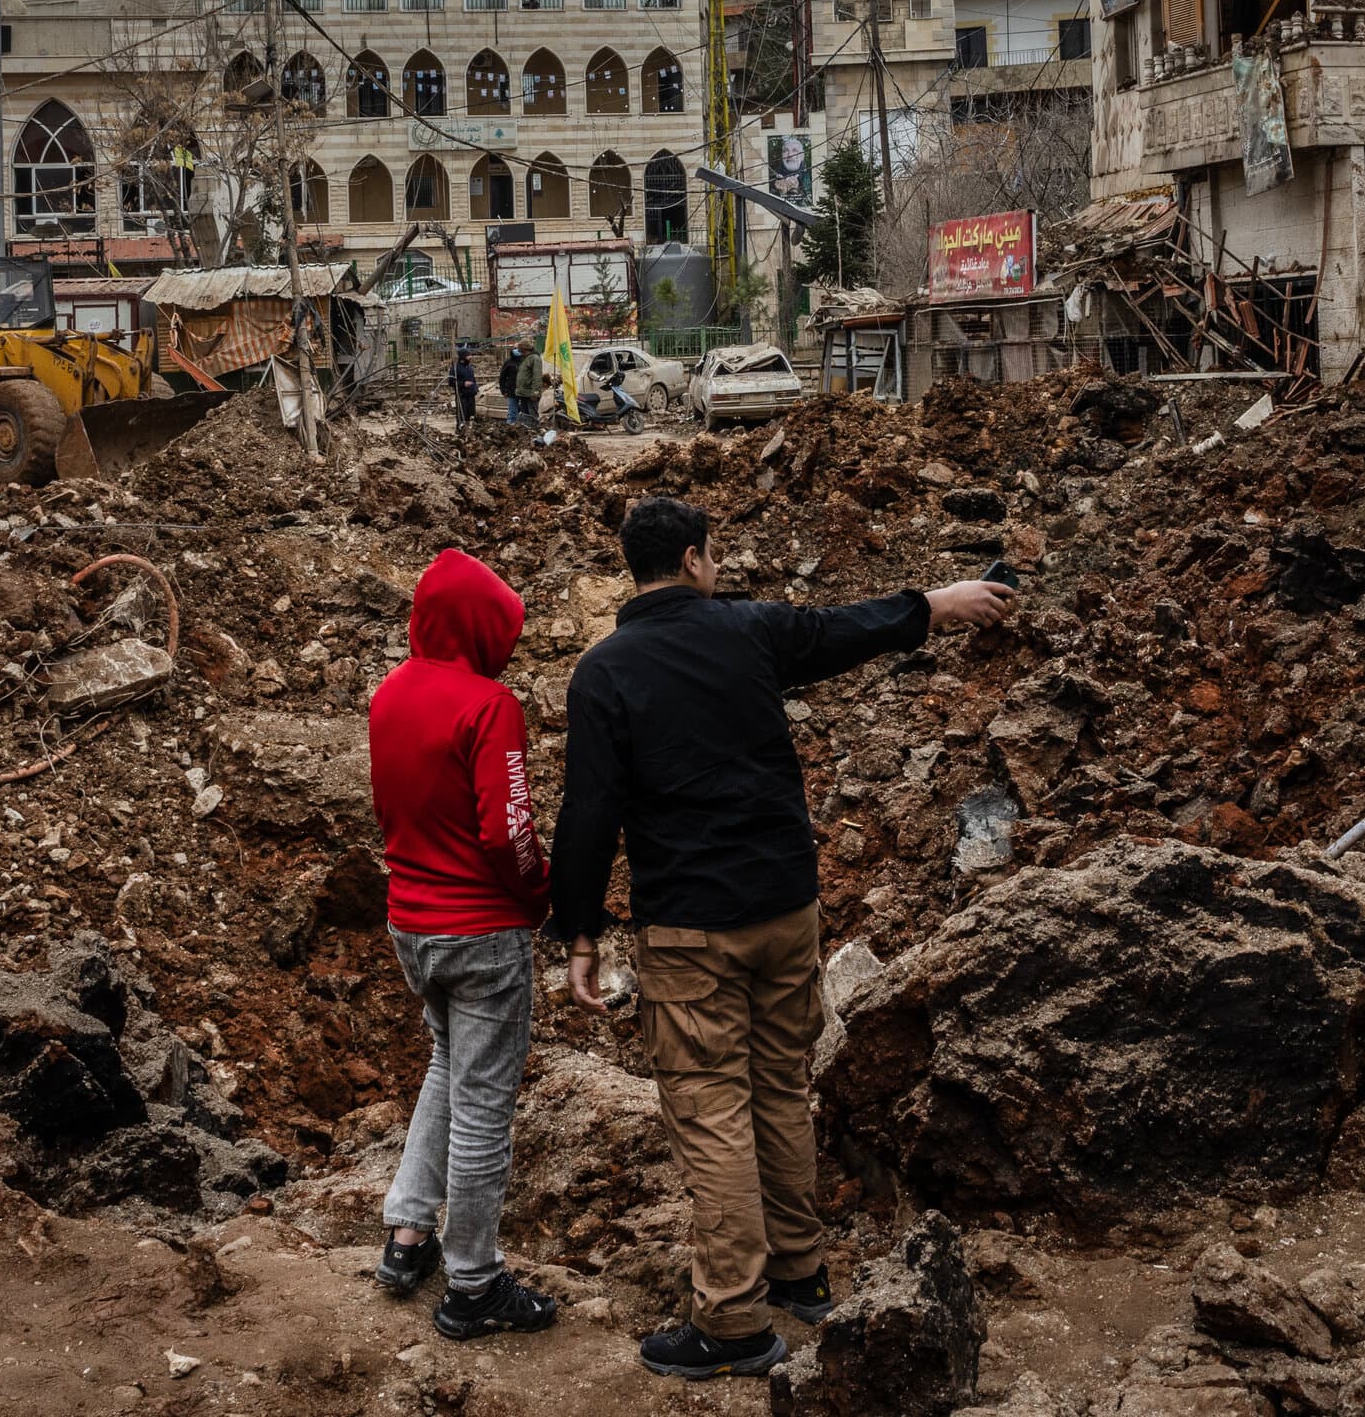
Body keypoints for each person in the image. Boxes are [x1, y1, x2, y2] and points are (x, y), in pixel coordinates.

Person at [549, 497, 1016, 1382]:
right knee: (776, 1088)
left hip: (691, 926)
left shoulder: (603, 671)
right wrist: (938, 603)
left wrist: (579, 931)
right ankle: (801, 1275)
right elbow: (844, 630)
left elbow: (589, 812)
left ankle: (731, 1321)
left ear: (636, 569)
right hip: (785, 909)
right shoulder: (751, 629)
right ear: (694, 559)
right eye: (714, 555)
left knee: (711, 1107)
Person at [367, 549, 558, 1341]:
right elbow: (508, 832)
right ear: (481, 628)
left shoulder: (388, 695)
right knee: (483, 1106)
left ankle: (408, 1234)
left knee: (447, 1064)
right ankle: (474, 1283)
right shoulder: (489, 705)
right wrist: (541, 894)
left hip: (411, 924)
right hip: (481, 931)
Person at [446, 343, 478, 434]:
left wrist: (475, 388)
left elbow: (473, 379)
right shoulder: (455, 368)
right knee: (462, 413)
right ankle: (460, 430)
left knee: (471, 413)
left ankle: (469, 431)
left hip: (471, 394)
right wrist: (463, 384)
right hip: (462, 395)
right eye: (468, 355)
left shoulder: (469, 367)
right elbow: (451, 382)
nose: (470, 357)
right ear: (463, 357)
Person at [513, 337, 545, 428]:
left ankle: (535, 431)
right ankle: (527, 433)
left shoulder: (534, 358)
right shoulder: (525, 359)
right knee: (525, 418)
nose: (519, 351)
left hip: (531, 394)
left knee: (533, 417)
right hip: (523, 393)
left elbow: (537, 376)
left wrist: (535, 392)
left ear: (525, 348)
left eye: (520, 349)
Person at [498, 343, 524, 425]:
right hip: (511, 391)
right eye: (515, 348)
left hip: (523, 391)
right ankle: (510, 426)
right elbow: (502, 378)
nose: (517, 350)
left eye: (518, 349)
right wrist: (503, 390)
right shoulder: (508, 363)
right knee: (512, 412)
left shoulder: (525, 361)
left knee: (523, 412)